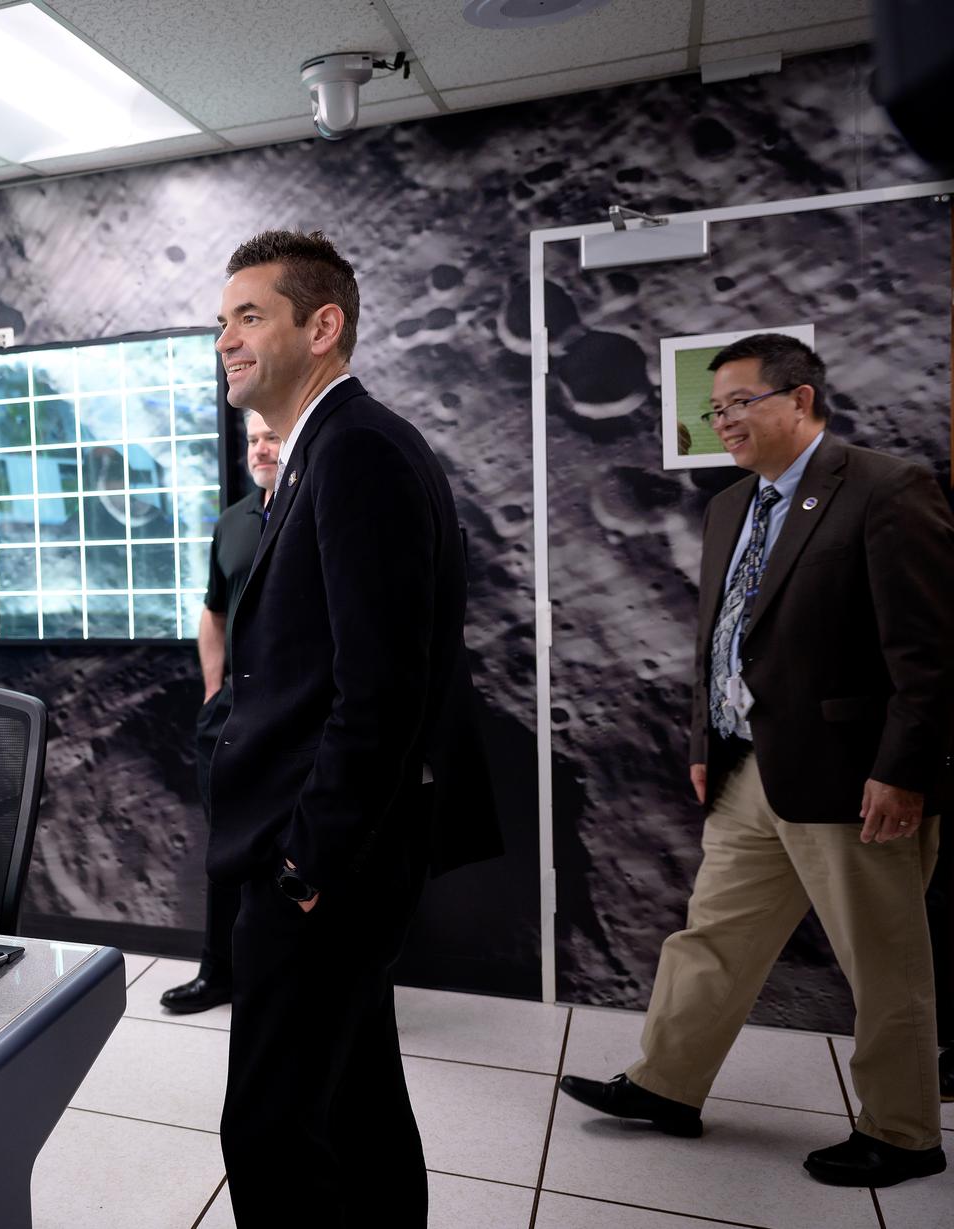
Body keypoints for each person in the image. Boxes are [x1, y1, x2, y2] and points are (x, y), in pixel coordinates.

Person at [558, 333, 954, 1188]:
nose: (722, 422)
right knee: (714, 938)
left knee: (884, 962)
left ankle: (905, 1132)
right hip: (748, 770)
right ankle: (667, 1083)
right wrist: (706, 741)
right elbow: (719, 640)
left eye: (739, 403)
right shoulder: (728, 507)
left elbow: (930, 652)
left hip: (856, 780)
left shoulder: (887, 490)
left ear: (801, 398)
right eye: (715, 409)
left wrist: (904, 769)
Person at [206, 230, 493, 1224]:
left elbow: (381, 691)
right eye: (221, 320)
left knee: (272, 1130)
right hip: (334, 857)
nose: (226, 338)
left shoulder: (357, 451)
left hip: (325, 866)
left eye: (250, 315)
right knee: (359, 1106)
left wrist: (306, 866)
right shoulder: (324, 451)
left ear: (321, 326)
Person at [161, 409, 279, 1015]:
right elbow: (213, 612)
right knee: (226, 845)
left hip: (290, 717)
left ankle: (277, 977)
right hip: (230, 712)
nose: (259, 450)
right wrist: (213, 690)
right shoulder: (233, 521)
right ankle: (220, 971)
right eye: (253, 440)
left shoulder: (308, 510)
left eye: (272, 438)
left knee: (287, 847)